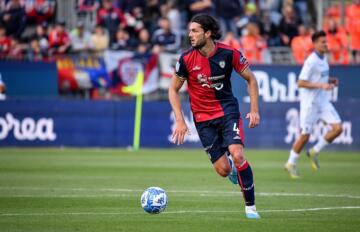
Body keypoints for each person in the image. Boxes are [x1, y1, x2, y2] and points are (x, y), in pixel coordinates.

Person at [168, 14, 261, 219]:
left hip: (227, 112)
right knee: (223, 170)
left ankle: (251, 209)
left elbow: (251, 79)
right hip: (202, 120)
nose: (190, 35)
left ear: (208, 33)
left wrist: (254, 110)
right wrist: (180, 120)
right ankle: (232, 170)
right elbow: (173, 90)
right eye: (189, 31)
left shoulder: (229, 53)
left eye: (195, 31)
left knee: (238, 154)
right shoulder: (185, 59)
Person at [284, 31, 343, 179]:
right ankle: (290, 163)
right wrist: (322, 86)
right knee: (305, 136)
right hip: (310, 104)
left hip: (323, 102)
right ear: (315, 44)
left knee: (338, 128)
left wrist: (329, 80)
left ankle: (314, 152)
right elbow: (301, 82)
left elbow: (320, 77)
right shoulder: (311, 61)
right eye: (322, 42)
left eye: (326, 41)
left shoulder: (323, 58)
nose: (325, 44)